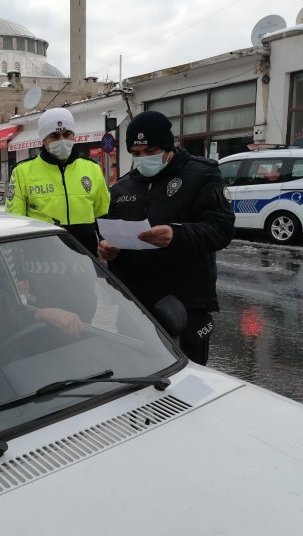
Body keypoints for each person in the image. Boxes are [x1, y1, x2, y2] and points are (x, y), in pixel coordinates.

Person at [97, 110, 235, 365]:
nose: (143, 159)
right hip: (135, 306)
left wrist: (176, 235)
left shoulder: (201, 175)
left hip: (184, 304)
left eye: (150, 151)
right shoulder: (123, 187)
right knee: (137, 377)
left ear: (168, 147)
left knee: (186, 381)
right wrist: (107, 249)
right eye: (136, 154)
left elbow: (221, 229)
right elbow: (112, 232)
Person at [5, 107, 110, 254]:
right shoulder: (22, 171)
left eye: (67, 134)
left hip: (85, 259)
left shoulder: (92, 168)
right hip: (40, 258)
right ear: (43, 139)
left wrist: (106, 242)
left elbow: (103, 213)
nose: (62, 140)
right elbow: (15, 222)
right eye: (54, 136)